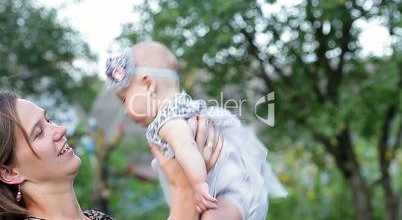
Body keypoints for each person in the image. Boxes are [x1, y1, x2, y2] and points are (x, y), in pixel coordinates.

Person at [105, 41, 288, 220]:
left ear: (148, 84)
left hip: (224, 193)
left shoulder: (167, 121)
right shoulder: (184, 108)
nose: (126, 111)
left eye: (124, 100)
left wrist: (199, 185)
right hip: (234, 188)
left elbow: (186, 145)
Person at [0, 90, 223, 220]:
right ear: (10, 172)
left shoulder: (97, 218)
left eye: (48, 120)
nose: (60, 130)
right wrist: (184, 188)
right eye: (39, 133)